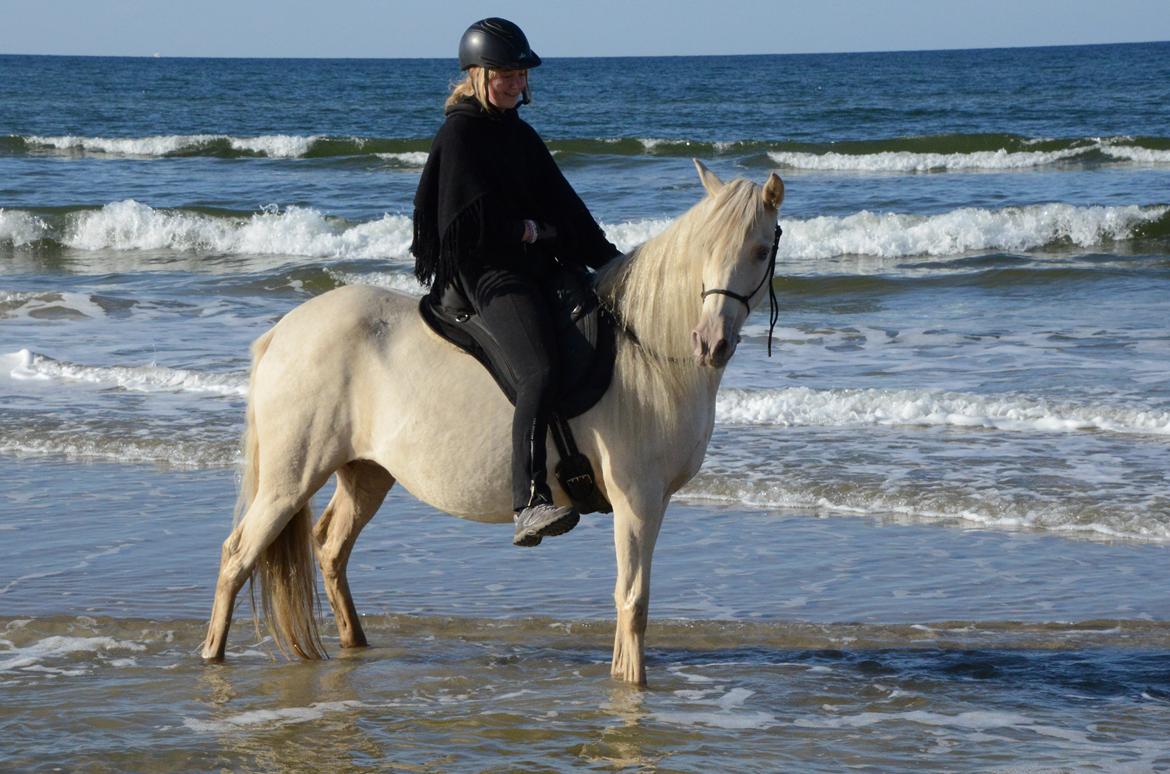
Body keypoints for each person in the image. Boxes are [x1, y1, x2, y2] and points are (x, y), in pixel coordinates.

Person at [410, 18, 621, 547]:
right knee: (539, 368)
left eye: (519, 73)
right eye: (503, 72)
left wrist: (616, 262)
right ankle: (529, 501)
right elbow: (464, 222)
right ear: (476, 75)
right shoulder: (459, 134)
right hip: (486, 272)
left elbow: (564, 204)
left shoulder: (519, 133)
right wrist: (524, 230)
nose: (513, 82)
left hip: (531, 262)